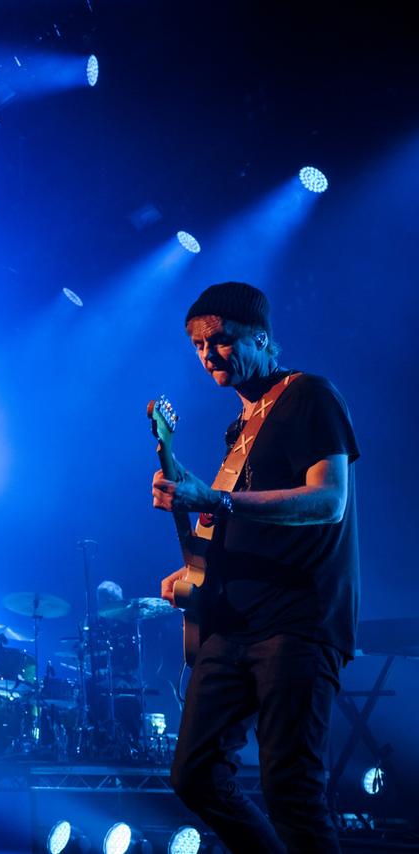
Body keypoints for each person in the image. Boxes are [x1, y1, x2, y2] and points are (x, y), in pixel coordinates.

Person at [152, 281, 358, 853]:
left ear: (261, 337)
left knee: (290, 788)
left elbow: (328, 501)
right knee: (192, 774)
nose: (207, 355)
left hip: (296, 620)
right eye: (197, 346)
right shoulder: (239, 429)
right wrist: (195, 576)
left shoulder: (309, 395)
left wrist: (212, 499)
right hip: (231, 624)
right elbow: (235, 525)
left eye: (219, 340)